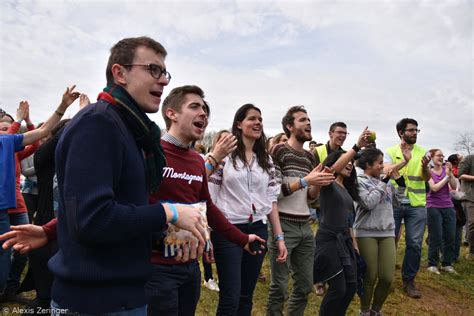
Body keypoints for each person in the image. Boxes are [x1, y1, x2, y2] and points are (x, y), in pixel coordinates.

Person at [0, 37, 209, 315]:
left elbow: (101, 205)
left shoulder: (132, 130)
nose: (163, 81)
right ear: (119, 73)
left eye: (164, 72)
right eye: (153, 70)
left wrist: (51, 230)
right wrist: (168, 212)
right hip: (95, 300)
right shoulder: (99, 122)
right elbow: (94, 218)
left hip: (124, 292)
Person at [146, 86, 265, 316]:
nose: (203, 113)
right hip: (156, 268)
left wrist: (241, 239)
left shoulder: (196, 161)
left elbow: (207, 206)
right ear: (172, 113)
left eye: (205, 109)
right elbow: (133, 203)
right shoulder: (151, 152)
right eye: (194, 106)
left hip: (190, 268)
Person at [0, 89, 81, 299]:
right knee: (3, 256)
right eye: (2, 128)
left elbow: (41, 133)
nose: (6, 131)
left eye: (6, 129)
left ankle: (9, 290)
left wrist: (63, 106)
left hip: (15, 205)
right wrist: (18, 120)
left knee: (21, 252)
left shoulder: (8, 143)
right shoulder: (7, 140)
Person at [208, 104, 288, 315]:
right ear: (239, 124)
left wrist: (279, 237)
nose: (258, 123)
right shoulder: (225, 157)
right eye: (252, 118)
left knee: (246, 296)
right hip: (228, 230)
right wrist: (209, 235)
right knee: (230, 296)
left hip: (258, 229)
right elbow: (212, 198)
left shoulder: (267, 160)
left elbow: (271, 200)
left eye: (260, 119)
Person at [266, 106, 334, 316]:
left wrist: (319, 182)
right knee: (279, 288)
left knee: (305, 286)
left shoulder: (310, 157)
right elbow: (274, 192)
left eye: (309, 120)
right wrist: (305, 181)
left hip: (305, 226)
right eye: (302, 120)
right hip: (283, 225)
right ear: (289, 126)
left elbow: (311, 197)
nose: (308, 123)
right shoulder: (278, 151)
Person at [313, 128, 371, 316]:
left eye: (352, 163)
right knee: (338, 288)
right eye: (346, 161)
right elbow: (333, 168)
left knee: (351, 285)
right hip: (329, 241)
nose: (350, 165)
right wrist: (356, 147)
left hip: (345, 242)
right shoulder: (327, 183)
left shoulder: (347, 191)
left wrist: (356, 248)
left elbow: (349, 223)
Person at [355, 148, 406, 316]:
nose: (382, 166)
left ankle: (376, 310)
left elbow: (397, 203)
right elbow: (368, 203)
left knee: (386, 278)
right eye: (379, 163)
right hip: (366, 232)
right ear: (368, 164)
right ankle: (364, 311)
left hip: (387, 232)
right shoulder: (358, 181)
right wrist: (384, 182)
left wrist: (400, 185)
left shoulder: (386, 182)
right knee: (370, 276)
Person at [384, 118, 430, 298]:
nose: (414, 133)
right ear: (401, 133)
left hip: (416, 204)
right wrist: (403, 160)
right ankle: (385, 278)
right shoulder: (390, 151)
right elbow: (387, 170)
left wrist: (426, 168)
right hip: (394, 204)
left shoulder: (423, 152)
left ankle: (409, 280)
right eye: (411, 130)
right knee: (389, 241)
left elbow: (426, 179)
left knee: (415, 244)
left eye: (416, 130)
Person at [425, 149, 458, 274]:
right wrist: (447, 177)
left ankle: (447, 264)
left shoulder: (447, 171)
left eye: (442, 155)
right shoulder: (428, 172)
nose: (442, 157)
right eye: (439, 155)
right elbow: (434, 188)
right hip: (433, 206)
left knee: (450, 236)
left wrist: (451, 175)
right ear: (432, 157)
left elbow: (454, 186)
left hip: (448, 206)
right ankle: (432, 264)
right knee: (436, 236)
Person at [458, 154, 474, 260]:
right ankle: (472, 251)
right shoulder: (469, 159)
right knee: (472, 223)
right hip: (470, 196)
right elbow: (461, 175)